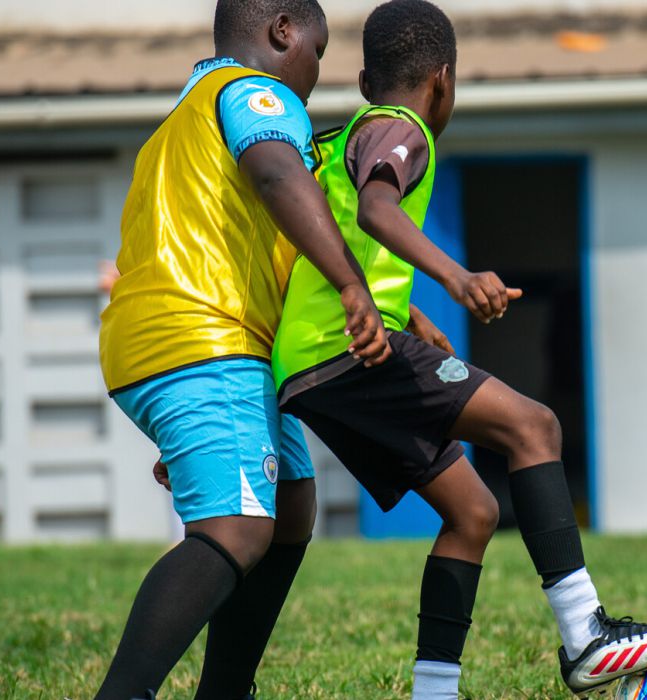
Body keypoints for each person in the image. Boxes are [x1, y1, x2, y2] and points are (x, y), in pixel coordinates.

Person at [269, 2, 647, 697]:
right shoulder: (405, 131)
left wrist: (406, 311)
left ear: (362, 78)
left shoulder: (347, 133)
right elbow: (378, 212)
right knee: (534, 426)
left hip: (315, 365)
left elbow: (336, 244)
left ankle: (435, 691)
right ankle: (586, 633)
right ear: (442, 81)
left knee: (472, 513)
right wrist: (457, 277)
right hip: (345, 355)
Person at [93, 1, 395, 698]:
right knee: (235, 530)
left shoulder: (181, 124)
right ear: (283, 32)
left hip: (197, 343)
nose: (318, 73)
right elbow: (277, 177)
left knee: (289, 506)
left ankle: (226, 691)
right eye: (317, 52)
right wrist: (351, 282)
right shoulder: (258, 95)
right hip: (206, 336)